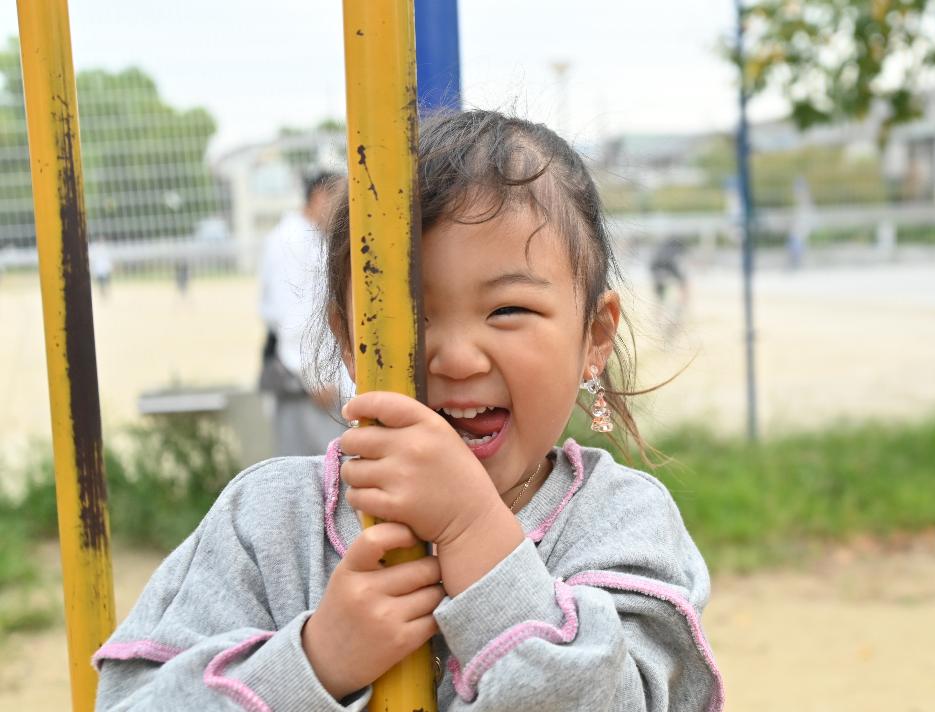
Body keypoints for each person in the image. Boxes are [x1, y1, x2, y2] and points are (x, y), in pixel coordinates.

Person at [93, 110, 723, 710]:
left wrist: (472, 531)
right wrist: (312, 663)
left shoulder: (620, 525)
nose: (455, 358)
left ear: (594, 337)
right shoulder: (268, 524)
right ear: (349, 337)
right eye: (409, 316)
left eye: (508, 310)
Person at [258, 172, 346, 457]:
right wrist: (314, 376)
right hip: (306, 378)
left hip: (314, 373)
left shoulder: (310, 238)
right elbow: (293, 314)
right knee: (313, 472)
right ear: (320, 197)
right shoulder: (294, 240)